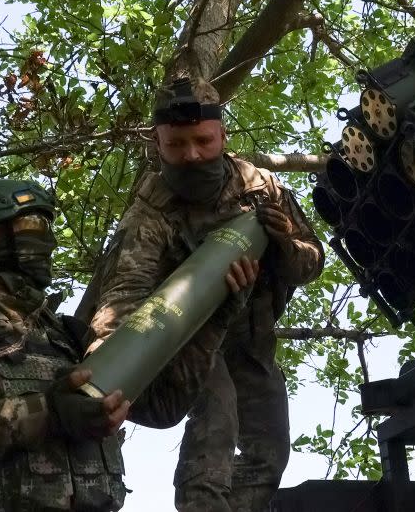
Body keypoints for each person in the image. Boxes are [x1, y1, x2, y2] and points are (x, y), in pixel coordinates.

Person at [0, 178, 233, 511]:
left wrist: (214, 316)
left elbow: (160, 407)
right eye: (35, 227)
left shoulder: (67, 337)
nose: (50, 242)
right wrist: (45, 412)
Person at [86, 77, 325, 511]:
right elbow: (123, 295)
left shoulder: (260, 187)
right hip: (194, 342)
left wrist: (285, 243)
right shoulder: (151, 211)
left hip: (252, 339)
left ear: (222, 136)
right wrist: (108, 371)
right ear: (157, 143)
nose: (191, 155)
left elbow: (312, 261)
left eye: (202, 141)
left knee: (270, 450)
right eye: (176, 144)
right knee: (216, 424)